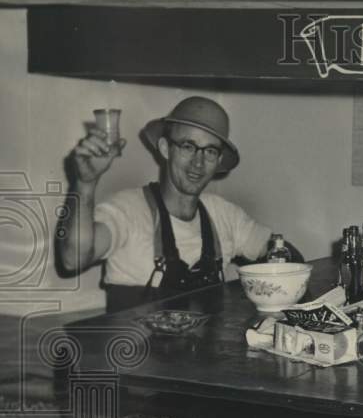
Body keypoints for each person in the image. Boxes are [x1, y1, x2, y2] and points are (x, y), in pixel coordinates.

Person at [58, 96, 299, 312]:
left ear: (218, 160)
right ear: (165, 148)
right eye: (188, 146)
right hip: (137, 348)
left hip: (209, 348)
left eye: (210, 151)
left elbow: (282, 251)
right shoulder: (128, 209)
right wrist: (86, 183)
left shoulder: (224, 214)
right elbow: (72, 259)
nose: (198, 162)